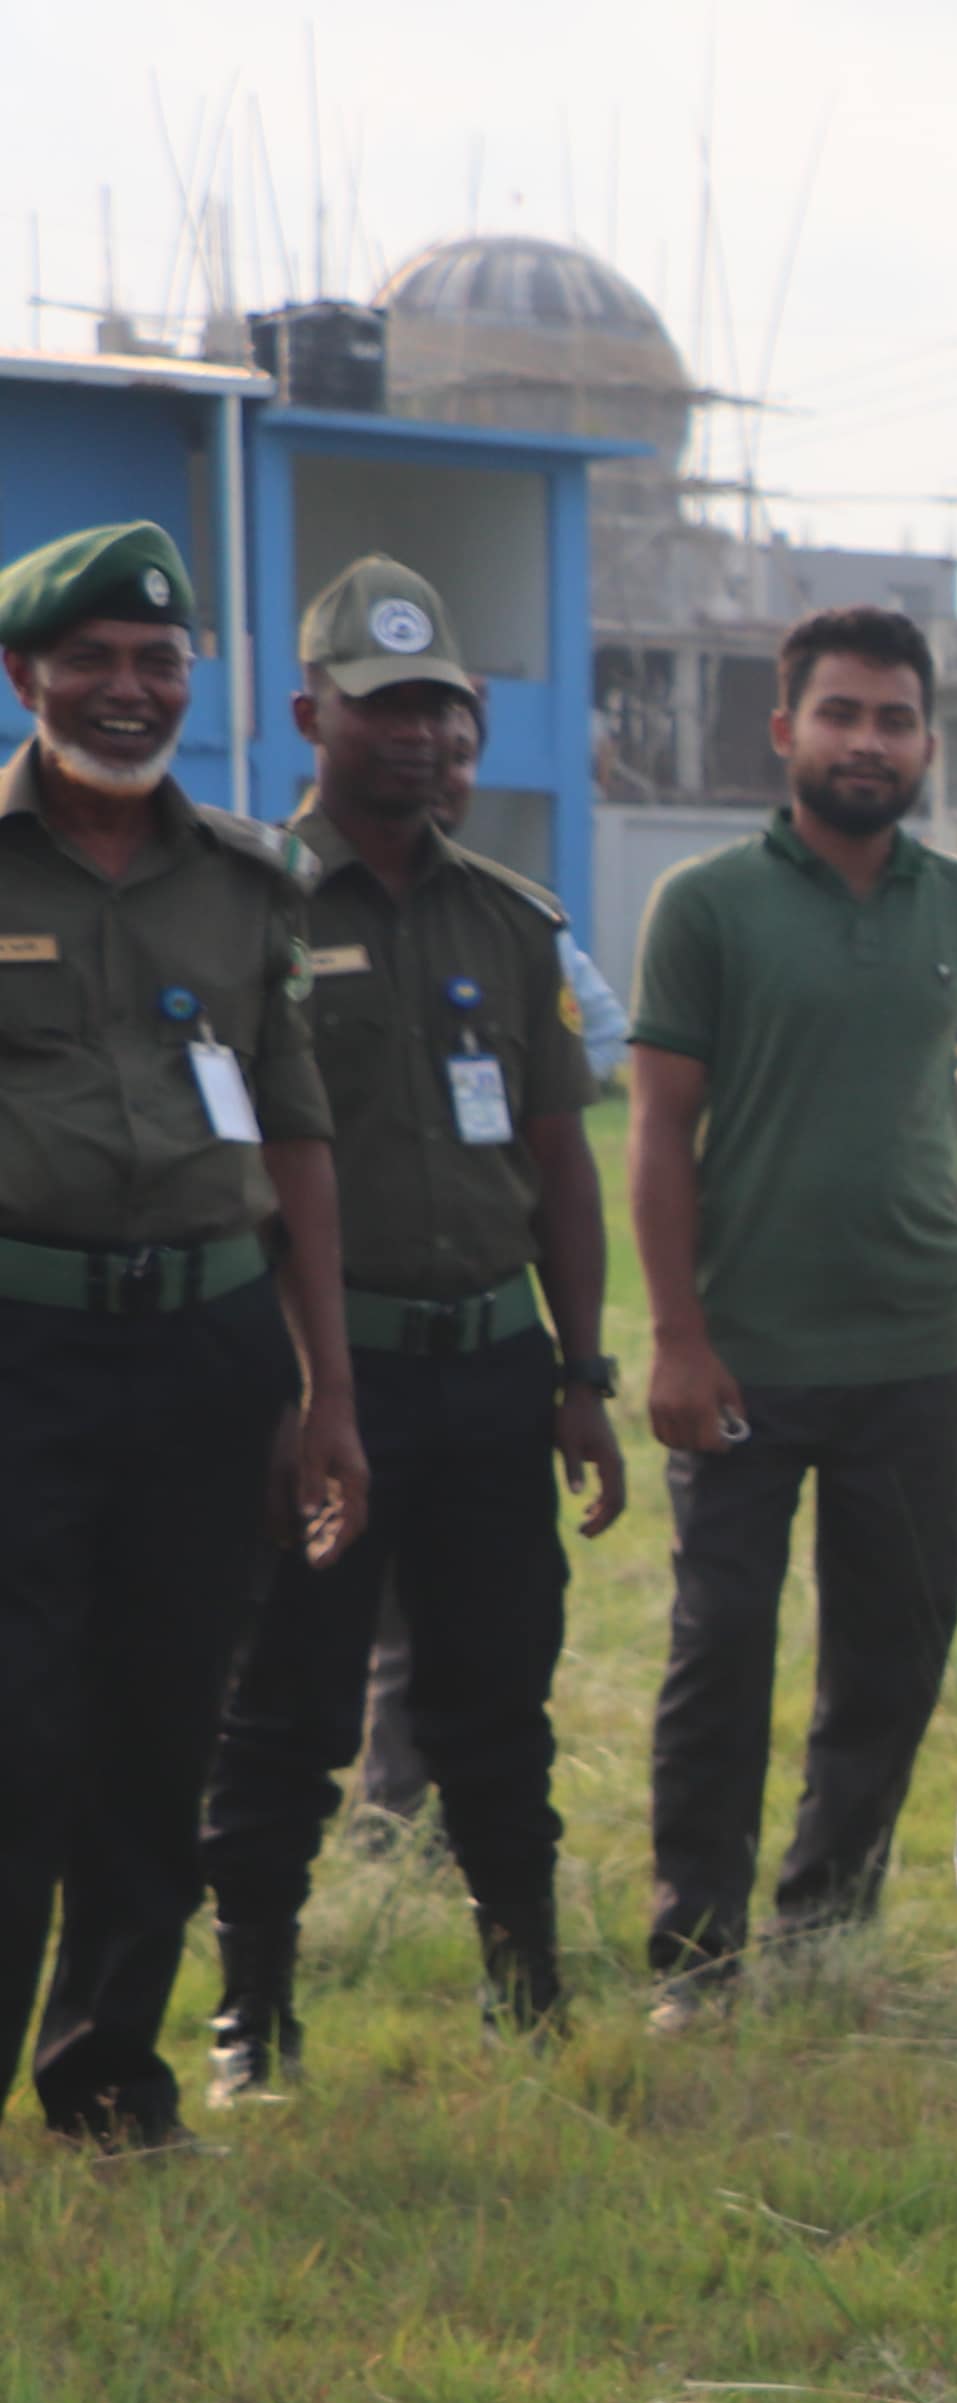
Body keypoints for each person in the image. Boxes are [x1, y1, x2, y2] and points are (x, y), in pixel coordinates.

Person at [197, 560, 622, 2088]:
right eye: (383, 708)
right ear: (311, 714)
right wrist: (286, 1386)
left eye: (439, 707)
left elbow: (559, 1164)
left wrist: (582, 1372)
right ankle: (253, 2020)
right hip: (326, 1372)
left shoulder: (511, 922)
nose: (417, 736)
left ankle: (529, 1989)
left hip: (490, 1371)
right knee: (286, 1709)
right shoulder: (243, 907)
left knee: (496, 1699)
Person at [627, 604, 957, 2017]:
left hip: (913, 1346)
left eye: (894, 719)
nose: (867, 742)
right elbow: (657, 1129)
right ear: (785, 731)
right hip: (744, 1353)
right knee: (721, 1657)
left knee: (891, 1656)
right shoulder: (706, 904)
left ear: (927, 742)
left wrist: (943, 1119)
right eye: (841, 714)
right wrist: (677, 1338)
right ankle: (697, 1956)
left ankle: (826, 1924)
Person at [0, 521, 361, 2151]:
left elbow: (298, 1137)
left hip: (205, 1354)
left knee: (160, 1728)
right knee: (18, 1730)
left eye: (159, 661)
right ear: (26, 675)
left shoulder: (249, 883)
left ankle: (107, 2087)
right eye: (91, 660)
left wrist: (326, 1389)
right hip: (20, 1349)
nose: (128, 689)